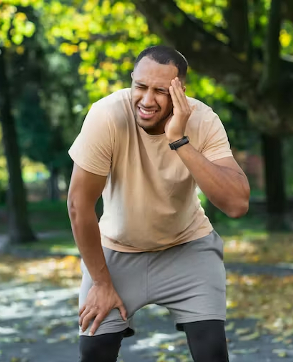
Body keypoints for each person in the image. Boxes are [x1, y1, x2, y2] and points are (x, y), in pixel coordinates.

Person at [67, 45, 250, 362]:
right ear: (131, 81)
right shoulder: (107, 116)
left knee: (212, 353)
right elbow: (78, 204)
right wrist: (100, 282)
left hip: (187, 248)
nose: (147, 100)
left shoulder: (203, 121)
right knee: (94, 351)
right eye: (141, 87)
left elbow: (236, 204)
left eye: (161, 91)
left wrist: (179, 139)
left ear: (180, 91)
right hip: (116, 252)